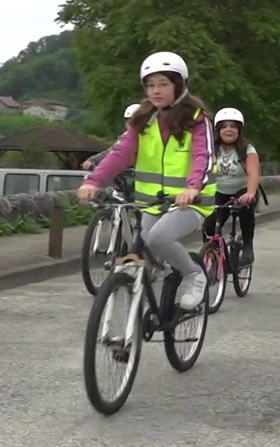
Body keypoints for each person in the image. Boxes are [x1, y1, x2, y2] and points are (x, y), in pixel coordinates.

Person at [76, 51, 215, 311]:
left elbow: (202, 156)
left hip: (191, 202)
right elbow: (120, 153)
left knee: (158, 238)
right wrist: (94, 181)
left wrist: (193, 187)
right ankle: (136, 324)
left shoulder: (196, 120)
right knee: (140, 254)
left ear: (179, 85)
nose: (156, 91)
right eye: (150, 85)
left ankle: (195, 275)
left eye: (163, 84)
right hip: (152, 202)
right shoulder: (143, 120)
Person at [202, 107, 261, 265]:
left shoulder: (247, 150)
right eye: (224, 126)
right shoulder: (211, 149)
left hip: (243, 190)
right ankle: (212, 251)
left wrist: (250, 193)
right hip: (219, 191)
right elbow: (200, 170)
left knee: (245, 209)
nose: (229, 130)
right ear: (218, 130)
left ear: (239, 130)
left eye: (233, 126)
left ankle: (248, 246)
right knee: (209, 222)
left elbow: (253, 174)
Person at [82, 103, 141, 171]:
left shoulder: (148, 139)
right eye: (128, 121)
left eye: (135, 121)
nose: (131, 124)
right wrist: (92, 161)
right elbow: (111, 152)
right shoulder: (124, 139)